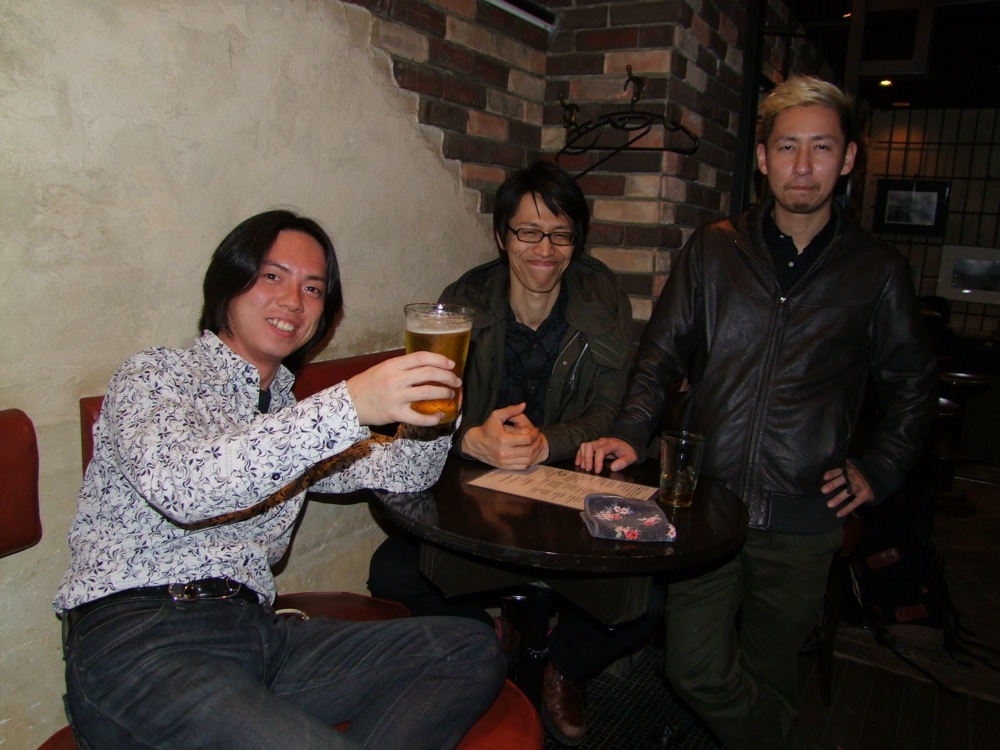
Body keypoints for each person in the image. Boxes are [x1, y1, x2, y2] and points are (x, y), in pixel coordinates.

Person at [54, 210, 506, 750]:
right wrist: (348, 405)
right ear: (228, 283)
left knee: (468, 647)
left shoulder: (290, 413)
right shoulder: (155, 376)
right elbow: (183, 488)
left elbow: (404, 475)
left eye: (313, 288)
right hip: (142, 639)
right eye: (272, 276)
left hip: (260, 635)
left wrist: (437, 412)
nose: (294, 300)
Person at [577, 76, 937, 750]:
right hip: (707, 506)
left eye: (821, 147)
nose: (803, 165)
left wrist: (880, 468)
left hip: (804, 517)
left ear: (848, 158)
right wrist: (630, 430)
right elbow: (660, 354)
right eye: (788, 147)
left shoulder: (877, 269)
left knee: (771, 674)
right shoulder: (715, 247)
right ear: (764, 158)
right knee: (692, 667)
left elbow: (913, 386)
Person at [368, 160, 661, 746]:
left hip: (567, 494)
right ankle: (491, 639)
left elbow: (609, 408)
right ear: (502, 237)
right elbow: (429, 406)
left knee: (653, 599)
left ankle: (563, 665)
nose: (544, 250)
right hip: (482, 498)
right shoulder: (465, 299)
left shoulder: (602, 297)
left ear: (576, 241)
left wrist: (548, 441)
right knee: (392, 570)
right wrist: (468, 437)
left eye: (560, 234)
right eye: (528, 232)